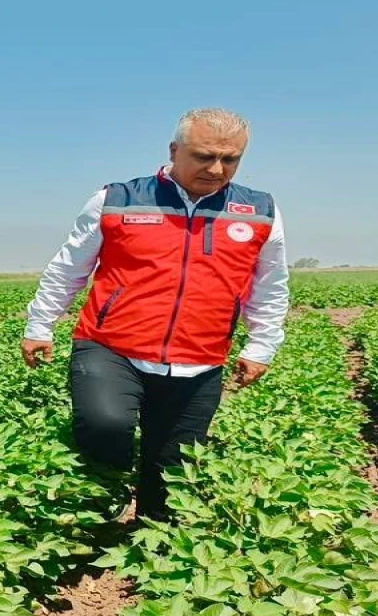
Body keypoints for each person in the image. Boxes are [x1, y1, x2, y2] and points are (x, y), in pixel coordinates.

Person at [21, 108, 290, 522]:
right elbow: (68, 268)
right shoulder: (116, 200)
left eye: (230, 159)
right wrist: (41, 325)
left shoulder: (259, 211)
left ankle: (152, 540)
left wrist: (262, 346)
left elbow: (269, 285)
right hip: (111, 347)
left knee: (172, 472)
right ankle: (105, 496)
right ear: (174, 150)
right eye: (204, 156)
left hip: (200, 360)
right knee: (105, 424)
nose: (216, 169)